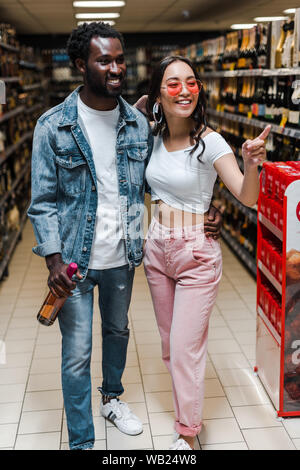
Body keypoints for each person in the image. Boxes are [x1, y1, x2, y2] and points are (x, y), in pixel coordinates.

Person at [27, 23, 222, 451]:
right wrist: (54, 259)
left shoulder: (138, 123)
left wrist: (206, 207)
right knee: (77, 354)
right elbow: (41, 201)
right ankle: (82, 441)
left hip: (125, 254)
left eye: (119, 59)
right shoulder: (53, 125)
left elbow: (164, 179)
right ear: (81, 65)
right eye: (105, 60)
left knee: (118, 332)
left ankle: (112, 399)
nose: (116, 68)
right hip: (74, 262)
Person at [141, 55, 271, 450]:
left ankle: (188, 433)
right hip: (156, 249)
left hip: (195, 252)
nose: (185, 90)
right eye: (174, 83)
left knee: (184, 348)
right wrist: (144, 108)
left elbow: (248, 198)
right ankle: (187, 413)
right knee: (169, 347)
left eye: (192, 82)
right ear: (159, 94)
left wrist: (251, 164)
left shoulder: (210, 142)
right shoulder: (150, 135)